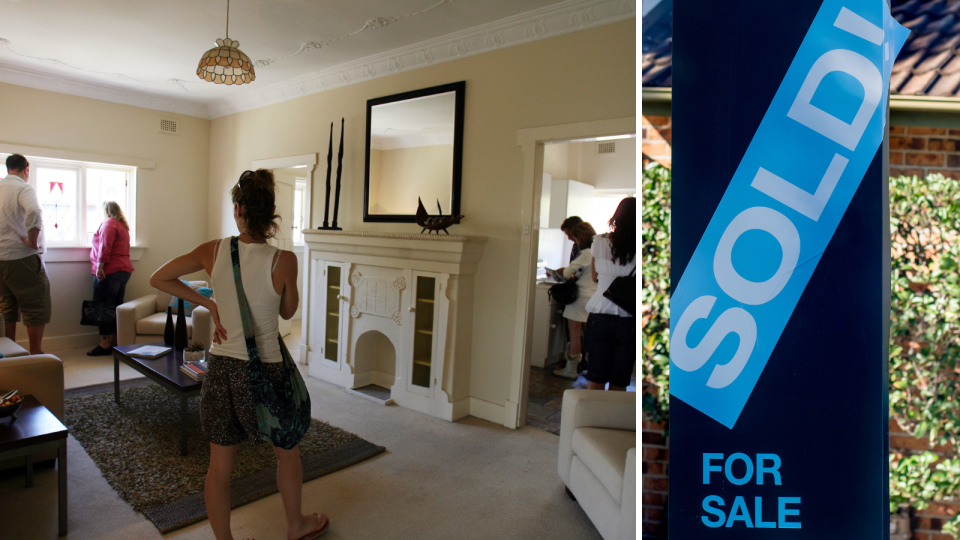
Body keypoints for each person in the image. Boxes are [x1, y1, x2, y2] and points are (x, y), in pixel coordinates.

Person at [150, 169, 328, 540]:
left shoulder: (213, 250)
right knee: (287, 453)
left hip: (222, 370)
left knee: (220, 468)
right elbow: (288, 312)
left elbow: (160, 278)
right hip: (267, 370)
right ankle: (295, 525)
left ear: (239, 209)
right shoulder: (285, 260)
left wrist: (209, 302)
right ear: (271, 212)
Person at [584, 197, 636, 391]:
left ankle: (590, 420)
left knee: (595, 378)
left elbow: (594, 277)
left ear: (617, 217)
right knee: (619, 381)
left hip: (599, 314)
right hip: (628, 317)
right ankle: (612, 421)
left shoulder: (599, 242)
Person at [0, 154, 50, 355]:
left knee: (7, 308)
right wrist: (32, 241)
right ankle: (36, 354)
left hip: (1, 259)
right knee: (36, 307)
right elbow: (33, 212)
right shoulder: (23, 188)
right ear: (26, 169)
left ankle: (8, 354)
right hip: (22, 258)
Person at [87, 201, 134, 356]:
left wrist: (100, 266)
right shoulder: (122, 226)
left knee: (102, 307)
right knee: (115, 306)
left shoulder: (109, 223)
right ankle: (114, 340)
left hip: (110, 270)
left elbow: (105, 246)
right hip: (123, 270)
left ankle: (104, 343)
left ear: (106, 211)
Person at [553, 222, 598, 379]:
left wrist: (568, 272)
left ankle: (571, 370)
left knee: (575, 334)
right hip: (595, 298)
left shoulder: (585, 253)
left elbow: (566, 273)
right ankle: (592, 369)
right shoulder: (599, 252)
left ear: (579, 237)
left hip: (580, 299)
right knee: (591, 336)